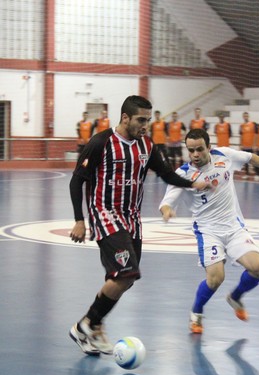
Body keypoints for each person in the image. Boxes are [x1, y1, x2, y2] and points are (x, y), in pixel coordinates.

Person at [68, 96, 210, 356]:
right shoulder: (101, 143)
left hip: (132, 218)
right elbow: (77, 181)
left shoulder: (147, 145)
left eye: (148, 120)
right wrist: (79, 220)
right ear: (125, 118)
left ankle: (92, 326)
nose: (146, 125)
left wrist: (193, 184)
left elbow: (166, 173)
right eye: (141, 120)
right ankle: (86, 325)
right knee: (125, 273)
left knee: (125, 278)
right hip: (105, 214)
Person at [159, 128, 259, 334]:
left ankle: (235, 297)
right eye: (191, 150)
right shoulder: (183, 174)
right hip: (208, 231)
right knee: (215, 278)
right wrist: (167, 211)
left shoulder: (224, 155)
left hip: (233, 227)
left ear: (209, 147)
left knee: (257, 268)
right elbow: (166, 202)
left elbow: (252, 157)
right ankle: (196, 312)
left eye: (200, 150)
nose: (195, 155)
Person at [239, 112, 257, 179]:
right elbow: (241, 135)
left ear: (248, 116)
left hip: (251, 146)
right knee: (245, 160)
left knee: (253, 160)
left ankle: (256, 174)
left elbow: (255, 135)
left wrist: (255, 144)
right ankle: (246, 174)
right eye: (244, 116)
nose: (245, 117)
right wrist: (240, 144)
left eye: (246, 116)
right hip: (244, 146)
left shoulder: (253, 124)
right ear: (243, 117)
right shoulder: (241, 126)